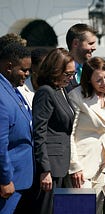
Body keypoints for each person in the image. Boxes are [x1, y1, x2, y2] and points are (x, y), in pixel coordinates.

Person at [68, 57, 105, 214]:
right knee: (81, 210)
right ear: (89, 80)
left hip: (101, 164)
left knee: (98, 209)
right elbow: (70, 134)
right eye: (99, 80)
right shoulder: (76, 96)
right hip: (81, 165)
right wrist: (74, 167)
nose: (104, 83)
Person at [32, 48, 75, 214]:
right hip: (51, 167)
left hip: (62, 164)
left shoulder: (61, 89)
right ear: (56, 71)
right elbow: (39, 132)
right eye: (67, 74)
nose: (71, 78)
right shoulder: (46, 92)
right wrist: (45, 170)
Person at [0, 43, 33, 213]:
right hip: (8, 183)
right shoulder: (1, 94)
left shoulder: (12, 89)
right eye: (24, 70)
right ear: (9, 67)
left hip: (21, 180)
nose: (27, 75)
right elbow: (0, 143)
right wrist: (5, 179)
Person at [65, 23, 97, 92]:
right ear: (76, 43)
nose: (94, 48)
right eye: (90, 44)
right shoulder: (61, 70)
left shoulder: (95, 70)